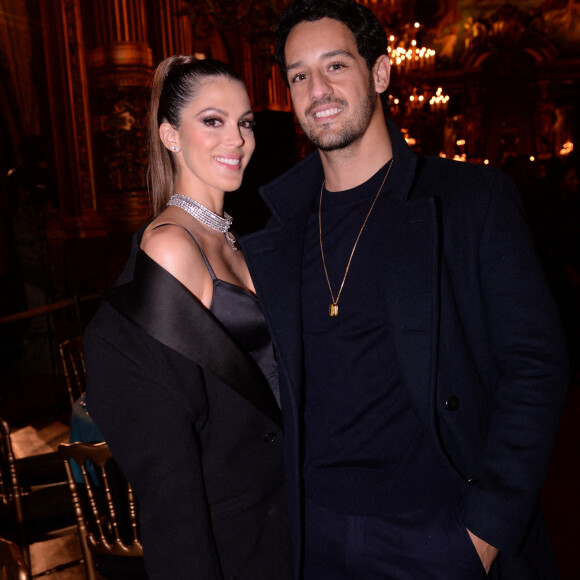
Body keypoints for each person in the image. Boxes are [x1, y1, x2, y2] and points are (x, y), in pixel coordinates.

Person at [239, 1, 569, 578]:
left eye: (336, 66)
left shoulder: (470, 200)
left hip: (439, 531)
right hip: (313, 534)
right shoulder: (276, 232)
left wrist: (484, 531)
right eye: (299, 75)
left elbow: (537, 363)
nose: (317, 89)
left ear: (381, 73)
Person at [83, 56, 293, 579]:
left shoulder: (230, 237)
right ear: (170, 135)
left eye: (245, 122)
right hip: (232, 534)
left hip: (283, 511)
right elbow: (164, 462)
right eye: (213, 121)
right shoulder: (171, 246)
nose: (238, 139)